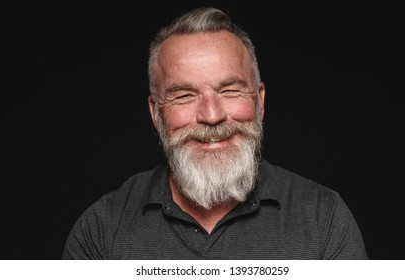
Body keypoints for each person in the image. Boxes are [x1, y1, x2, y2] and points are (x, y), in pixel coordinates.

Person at [62, 7, 368, 259]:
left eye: (230, 90)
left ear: (259, 101)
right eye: (184, 95)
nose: (212, 116)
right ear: (156, 112)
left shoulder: (324, 219)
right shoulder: (101, 230)